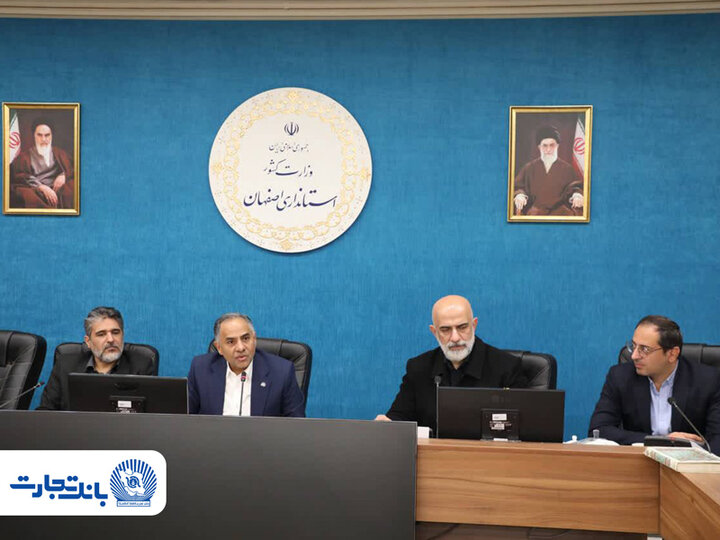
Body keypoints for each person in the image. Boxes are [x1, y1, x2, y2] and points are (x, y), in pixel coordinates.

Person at [375, 295, 526, 433]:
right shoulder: (419, 368)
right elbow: (400, 416)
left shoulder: (507, 367)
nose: (455, 338)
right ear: (434, 332)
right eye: (445, 330)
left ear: (474, 325)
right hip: (433, 453)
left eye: (462, 327)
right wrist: (389, 424)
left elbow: (524, 426)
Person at [588, 315, 720, 452]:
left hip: (689, 462)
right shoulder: (620, 377)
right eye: (633, 346)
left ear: (672, 354)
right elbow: (598, 430)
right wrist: (663, 442)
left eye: (644, 349)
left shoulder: (708, 381)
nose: (634, 356)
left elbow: (717, 439)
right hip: (640, 460)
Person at [187, 313, 305, 417]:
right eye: (231, 342)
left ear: (254, 339)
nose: (241, 348)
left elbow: (296, 426)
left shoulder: (282, 372)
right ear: (219, 348)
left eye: (245, 338)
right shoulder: (200, 369)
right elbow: (184, 419)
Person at [38, 306, 155, 410]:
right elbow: (45, 411)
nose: (110, 339)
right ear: (88, 342)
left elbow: (149, 416)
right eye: (101, 334)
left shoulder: (141, 366)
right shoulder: (65, 365)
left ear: (122, 335)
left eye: (115, 332)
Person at [513, 125, 583, 216]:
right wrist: (520, 195)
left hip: (561, 213)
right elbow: (518, 187)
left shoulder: (567, 169)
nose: (548, 149)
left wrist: (577, 195)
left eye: (552, 145)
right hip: (535, 213)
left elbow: (575, 188)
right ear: (539, 147)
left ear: (557, 146)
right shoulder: (529, 168)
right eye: (544, 146)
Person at [9, 118, 74, 209]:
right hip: (36, 190)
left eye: (47, 135)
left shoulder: (60, 153)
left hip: (57, 190)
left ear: (51, 136)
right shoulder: (24, 157)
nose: (43, 139)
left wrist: (63, 175)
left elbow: (72, 168)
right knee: (26, 195)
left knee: (72, 188)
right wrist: (41, 187)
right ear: (34, 136)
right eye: (39, 135)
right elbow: (20, 176)